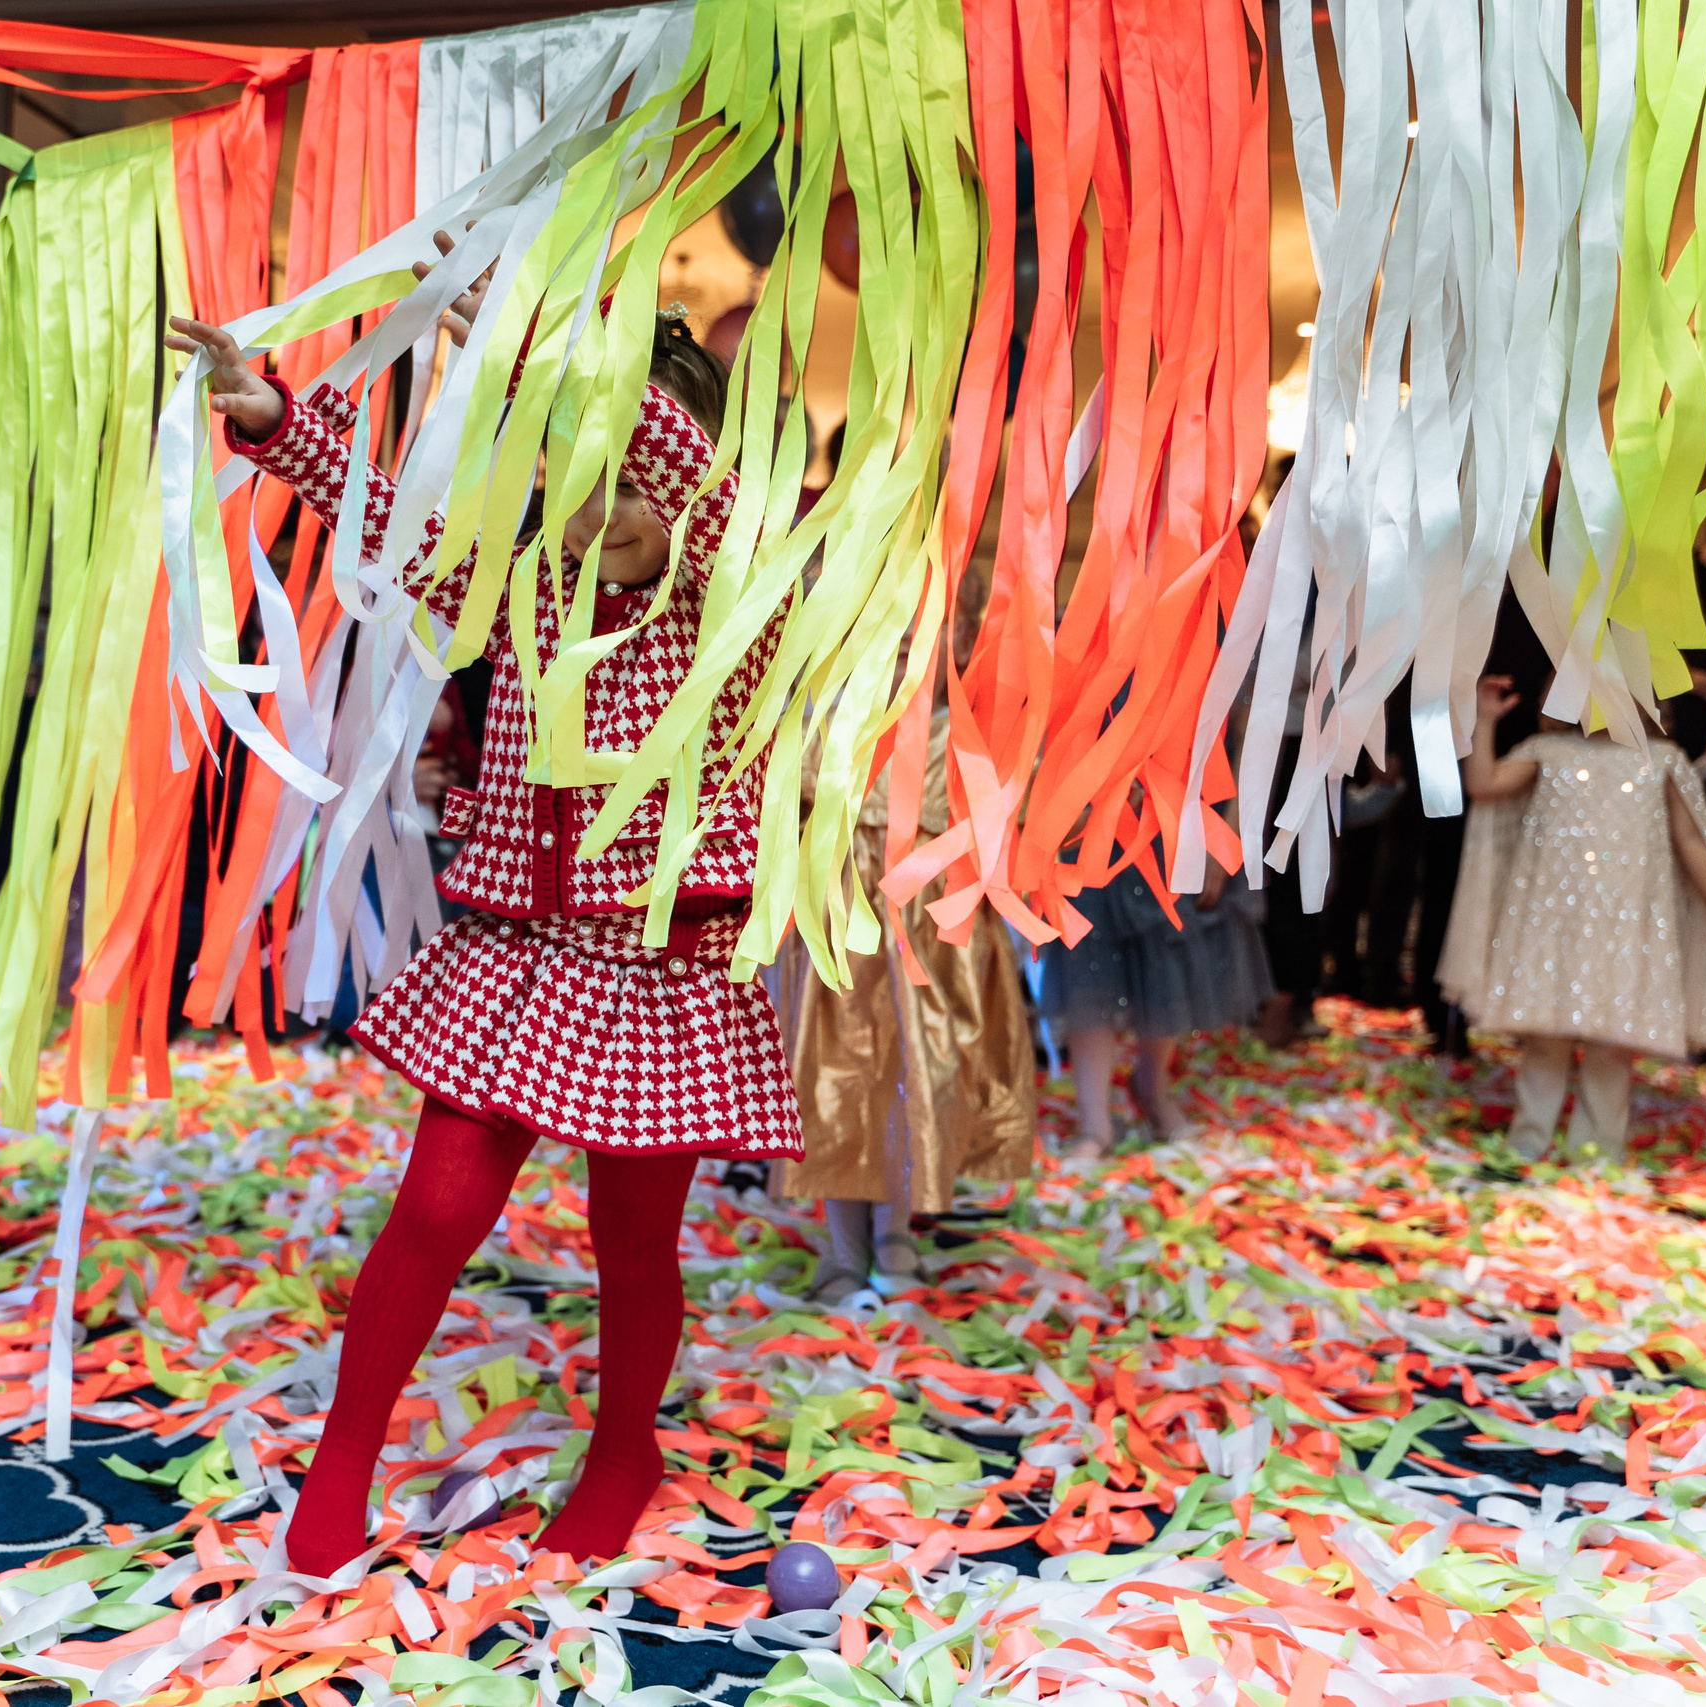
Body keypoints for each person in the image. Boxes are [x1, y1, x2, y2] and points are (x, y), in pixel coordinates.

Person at [164, 256, 801, 1574]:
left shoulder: (727, 603)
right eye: (577, 477)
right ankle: (343, 1454)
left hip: (660, 975)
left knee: (635, 1240)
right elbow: (392, 532)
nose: (610, 509)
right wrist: (278, 420)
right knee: (436, 1210)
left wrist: (571, 358)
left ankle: (628, 1448)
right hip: (516, 963)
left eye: (632, 475)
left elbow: (706, 495)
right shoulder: (521, 588)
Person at [766, 705, 1036, 1302]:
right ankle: (845, 1242)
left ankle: (893, 1232)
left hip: (926, 906)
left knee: (913, 1067)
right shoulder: (816, 707)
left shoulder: (959, 707)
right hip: (835, 902)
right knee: (833, 1069)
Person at [1438, 675, 1706, 1163]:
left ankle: (1597, 1153)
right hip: (1552, 921)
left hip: (1628, 926)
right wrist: (1484, 720)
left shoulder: (1662, 760)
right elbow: (1484, 785)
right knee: (1545, 1037)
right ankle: (1528, 1139)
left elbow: (1691, 843)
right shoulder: (1547, 749)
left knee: (1612, 1044)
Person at [1040, 846, 1274, 1160]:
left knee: (1164, 955)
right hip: (1086, 824)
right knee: (1087, 959)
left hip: (1167, 828)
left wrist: (1223, 844)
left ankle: (1153, 1087)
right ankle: (1093, 1123)